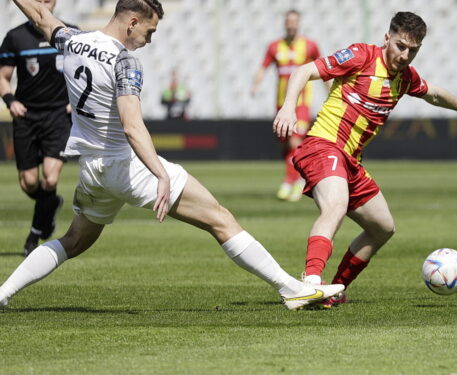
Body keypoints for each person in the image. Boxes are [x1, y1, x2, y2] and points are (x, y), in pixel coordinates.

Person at [0, 0, 343, 310]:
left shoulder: (73, 41)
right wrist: (160, 174)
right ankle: (291, 289)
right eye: (150, 31)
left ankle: (2, 294)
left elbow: (41, 16)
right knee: (220, 219)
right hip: (128, 165)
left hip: (92, 169)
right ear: (132, 22)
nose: (150, 41)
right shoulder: (125, 62)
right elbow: (133, 126)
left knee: (73, 240)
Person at [273, 12, 457, 307]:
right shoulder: (361, 56)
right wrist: (289, 107)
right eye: (400, 46)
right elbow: (304, 71)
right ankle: (310, 282)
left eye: (412, 51)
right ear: (387, 38)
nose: (404, 55)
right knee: (335, 206)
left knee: (383, 227)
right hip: (323, 145)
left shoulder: (405, 79)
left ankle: (334, 291)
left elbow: (435, 94)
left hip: (351, 160)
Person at [0, 0, 74, 256]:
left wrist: (75, 102)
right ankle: (51, 203)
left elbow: (84, 72)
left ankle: (35, 235)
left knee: (50, 178)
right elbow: (3, 76)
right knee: (29, 182)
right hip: (27, 117)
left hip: (58, 117)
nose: (44, 4)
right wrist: (10, 100)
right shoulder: (15, 37)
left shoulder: (69, 34)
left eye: (49, 0)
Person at [250, 9, 321, 202]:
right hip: (282, 104)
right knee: (286, 143)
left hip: (302, 104)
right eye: (288, 21)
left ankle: (293, 181)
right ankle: (295, 179)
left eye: (294, 21)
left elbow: (324, 67)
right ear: (284, 24)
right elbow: (263, 67)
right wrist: (255, 85)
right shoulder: (275, 47)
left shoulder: (309, 46)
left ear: (299, 23)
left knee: (295, 141)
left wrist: (331, 89)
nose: (291, 25)